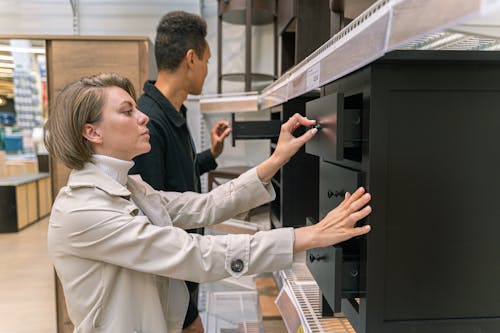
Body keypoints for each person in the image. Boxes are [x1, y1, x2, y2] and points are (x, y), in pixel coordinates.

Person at [44, 72, 372, 333]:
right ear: (93, 133)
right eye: (127, 111)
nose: (142, 118)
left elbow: (204, 206)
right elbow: (194, 253)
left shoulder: (130, 186)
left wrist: (275, 160)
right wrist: (308, 236)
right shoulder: (83, 211)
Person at [129, 12, 230, 331]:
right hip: (170, 280)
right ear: (191, 58)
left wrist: (209, 155)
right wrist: (187, 312)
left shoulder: (172, 113)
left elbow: (175, 181)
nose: (207, 70)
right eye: (207, 60)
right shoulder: (150, 122)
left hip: (184, 271)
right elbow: (153, 216)